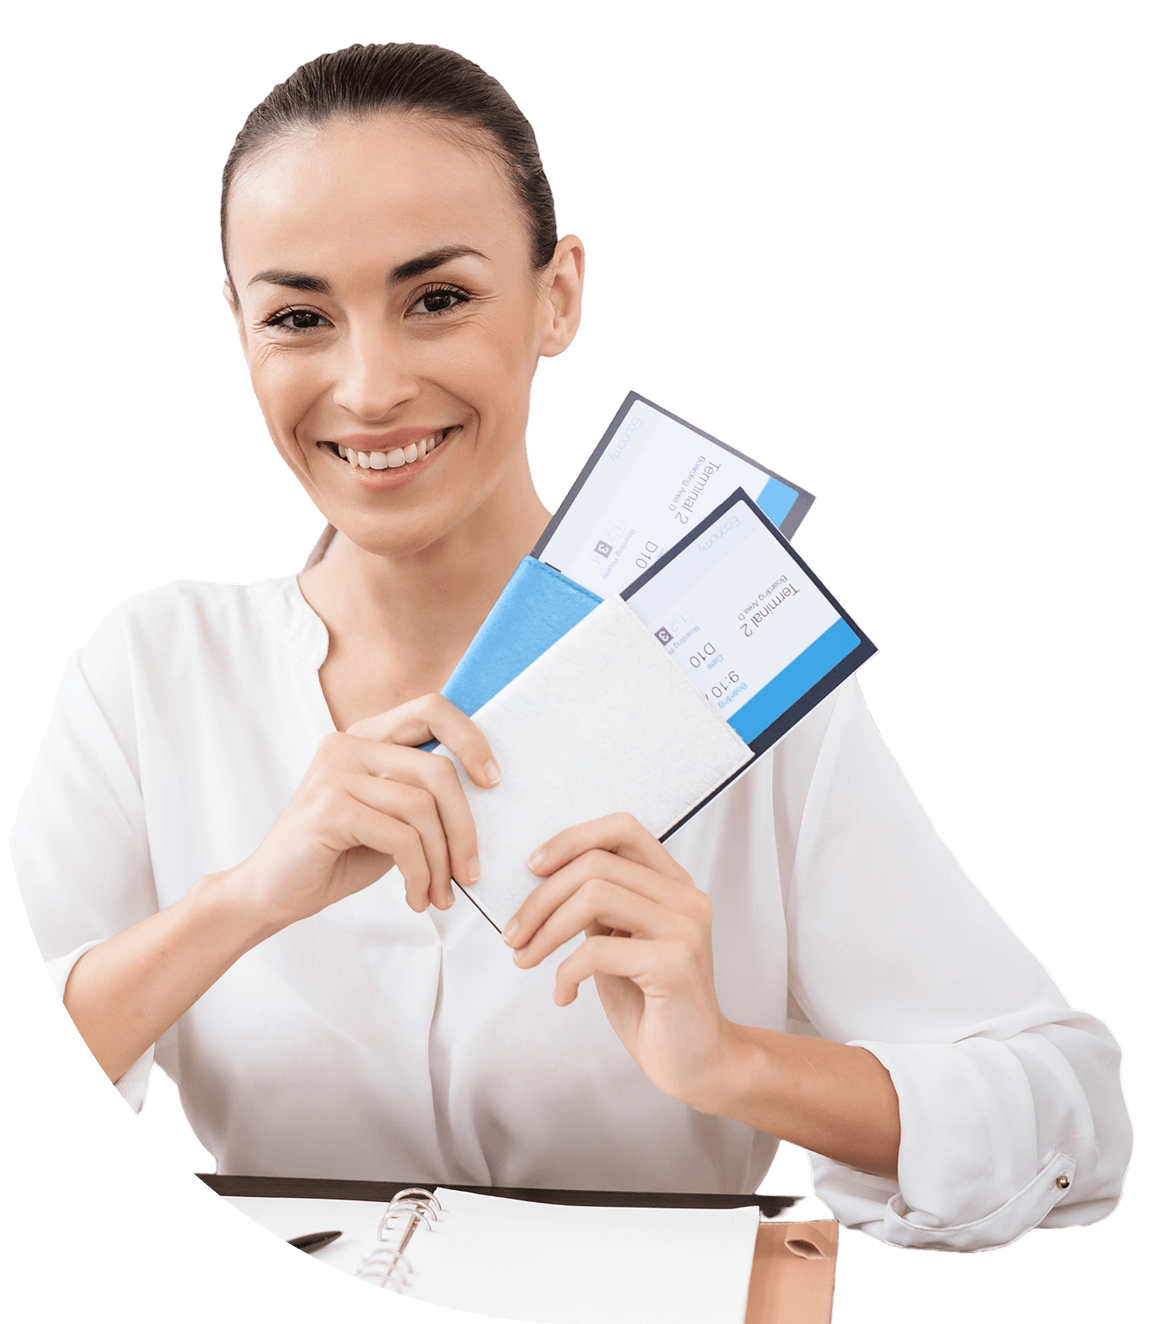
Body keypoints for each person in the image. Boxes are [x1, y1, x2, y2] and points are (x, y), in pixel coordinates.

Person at [12, 40, 1131, 1273]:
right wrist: (247, 899)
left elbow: (1072, 1109)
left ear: (560, 296)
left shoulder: (737, 678)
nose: (370, 385)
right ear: (237, 328)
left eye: (437, 298)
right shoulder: (151, 668)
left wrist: (732, 1061)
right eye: (297, 316)